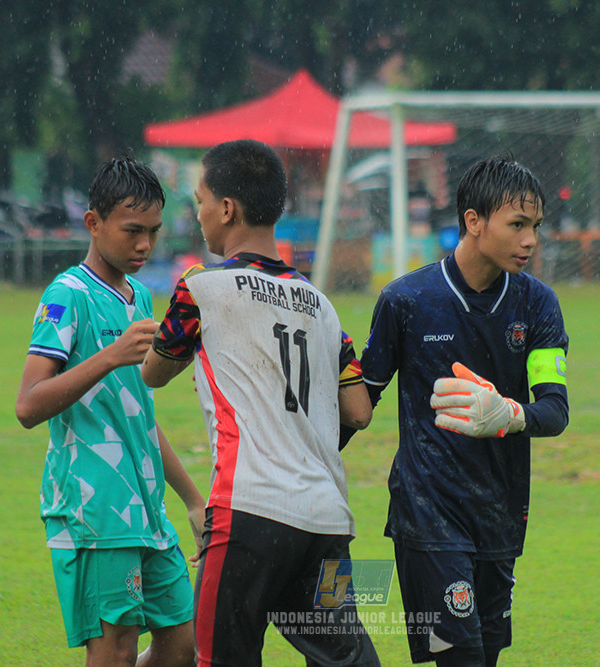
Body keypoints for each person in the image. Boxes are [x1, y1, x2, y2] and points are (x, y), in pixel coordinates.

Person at [140, 139, 381, 667]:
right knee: (349, 660)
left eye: (200, 200)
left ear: (226, 209)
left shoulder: (201, 288)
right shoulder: (323, 306)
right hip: (326, 521)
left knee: (222, 658)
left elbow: (153, 373)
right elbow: (359, 409)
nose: (198, 212)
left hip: (247, 514)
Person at [348, 156, 570, 666]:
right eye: (517, 225)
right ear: (473, 221)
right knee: (461, 659)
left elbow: (554, 411)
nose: (530, 240)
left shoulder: (537, 305)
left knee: (485, 656)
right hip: (428, 511)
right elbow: (359, 404)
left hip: (501, 513)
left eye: (535, 226)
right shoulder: (406, 301)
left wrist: (508, 414)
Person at [15, 155, 205, 666]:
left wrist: (190, 498)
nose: (145, 244)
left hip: (147, 508)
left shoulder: (139, 295)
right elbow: (28, 406)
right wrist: (110, 356)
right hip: (94, 507)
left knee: (182, 644)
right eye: (132, 231)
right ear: (93, 224)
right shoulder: (66, 296)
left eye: (154, 231)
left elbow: (136, 410)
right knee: (115, 651)